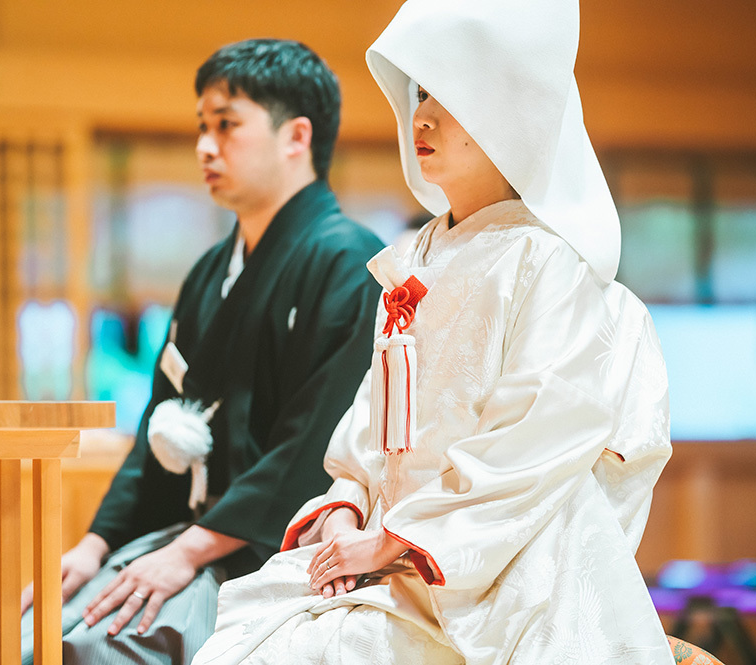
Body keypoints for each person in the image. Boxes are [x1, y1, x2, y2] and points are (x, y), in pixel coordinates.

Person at [191, 1, 675, 664]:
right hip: (389, 554)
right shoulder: (414, 257)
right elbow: (369, 427)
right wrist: (344, 511)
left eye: (446, 95)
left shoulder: (548, 261)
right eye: (419, 92)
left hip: (493, 570)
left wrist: (392, 541)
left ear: (509, 110)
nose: (420, 116)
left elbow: (534, 443)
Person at [1, 39, 384, 665]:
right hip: (192, 536)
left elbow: (313, 449)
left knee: (98, 649)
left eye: (227, 126)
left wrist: (185, 554)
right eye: (202, 127)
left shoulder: (349, 262)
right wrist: (95, 544)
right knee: (27, 633)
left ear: (296, 137)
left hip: (270, 550)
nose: (205, 146)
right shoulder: (209, 272)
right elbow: (160, 427)